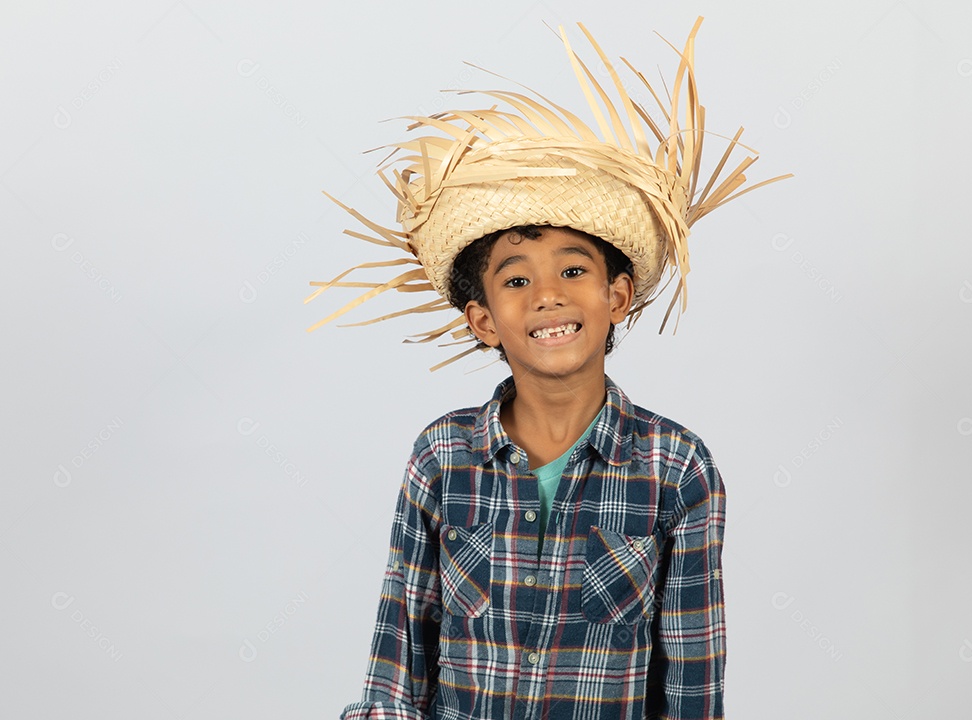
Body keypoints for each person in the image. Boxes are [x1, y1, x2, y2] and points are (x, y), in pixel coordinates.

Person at [307, 17, 789, 720]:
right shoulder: (442, 460)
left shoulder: (675, 470)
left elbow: (692, 684)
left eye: (573, 269)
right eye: (515, 280)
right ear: (482, 321)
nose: (549, 297)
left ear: (617, 296)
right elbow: (396, 666)